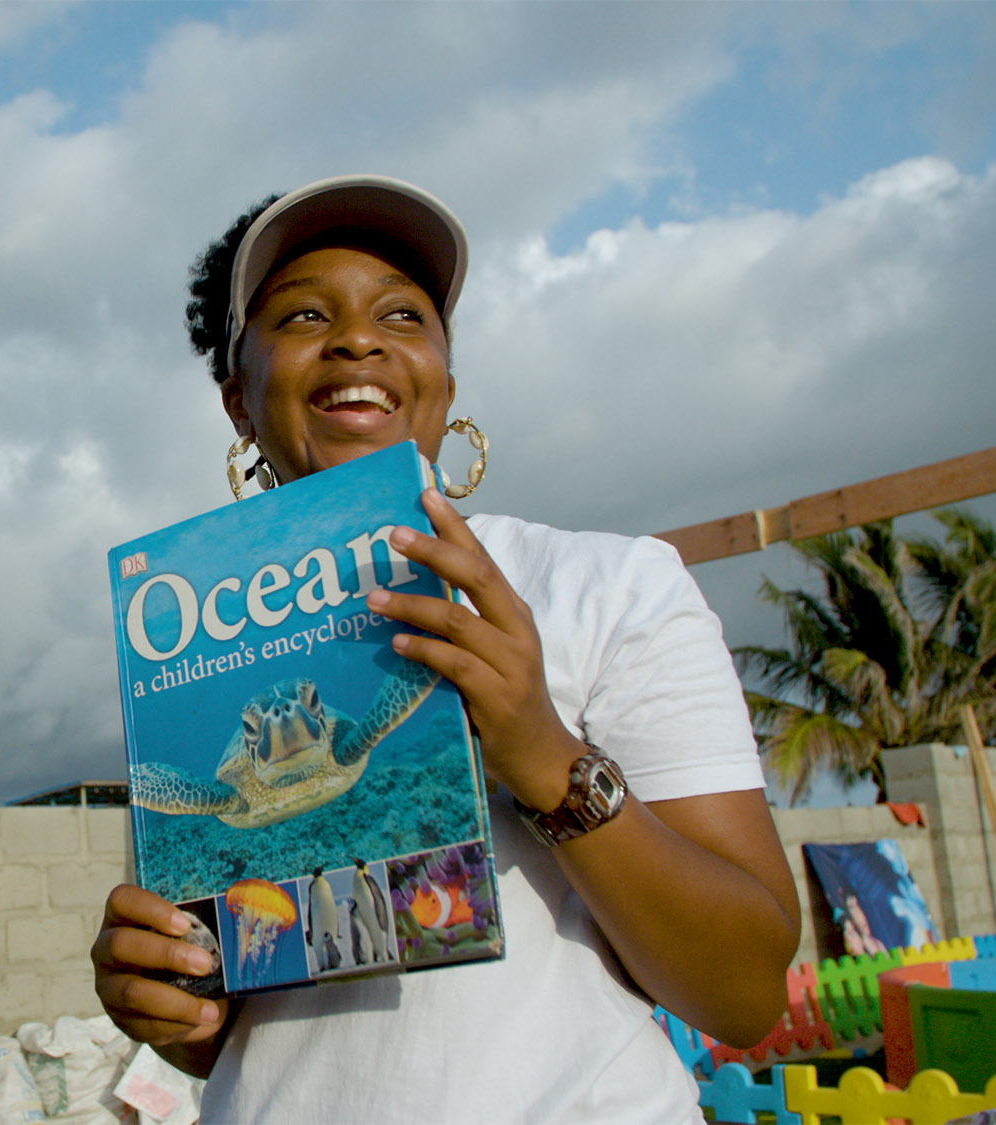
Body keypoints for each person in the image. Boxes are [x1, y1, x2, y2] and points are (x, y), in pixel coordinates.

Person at [91, 175, 801, 1122]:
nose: (357, 338)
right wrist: (175, 1006)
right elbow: (256, 1022)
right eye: (304, 315)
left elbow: (745, 994)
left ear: (445, 383)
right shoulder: (197, 642)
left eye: (403, 314)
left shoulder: (607, 586)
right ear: (238, 396)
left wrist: (546, 757)